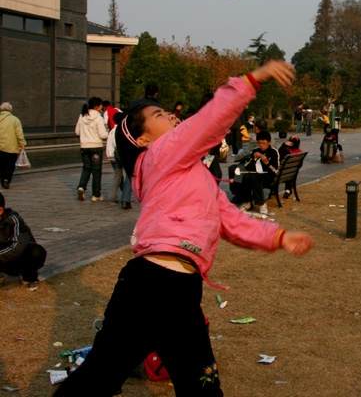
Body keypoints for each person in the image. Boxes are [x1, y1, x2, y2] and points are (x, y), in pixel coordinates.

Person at [54, 61, 314, 396]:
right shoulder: (160, 155)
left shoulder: (191, 174)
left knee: (202, 385)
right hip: (149, 284)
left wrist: (278, 236)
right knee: (99, 377)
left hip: (182, 289)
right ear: (143, 138)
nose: (172, 117)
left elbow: (230, 221)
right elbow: (207, 123)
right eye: (161, 116)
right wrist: (251, 80)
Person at [0, 192, 47, 291]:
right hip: (2, 259)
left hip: (18, 259)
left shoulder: (14, 220)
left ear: (0, 210)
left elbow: (18, 247)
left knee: (36, 252)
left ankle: (28, 277)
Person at [76, 96, 109, 202]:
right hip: (96, 147)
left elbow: (77, 132)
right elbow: (102, 135)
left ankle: (81, 187)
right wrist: (109, 133)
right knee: (96, 171)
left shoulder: (82, 116)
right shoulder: (99, 118)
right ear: (96, 106)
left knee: (86, 168)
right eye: (100, 106)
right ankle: (96, 195)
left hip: (84, 147)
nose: (101, 108)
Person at [243, 131, 280, 214]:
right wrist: (253, 159)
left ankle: (261, 203)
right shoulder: (255, 151)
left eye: (264, 143)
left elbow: (275, 171)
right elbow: (246, 166)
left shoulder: (273, 152)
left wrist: (267, 162)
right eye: (259, 143)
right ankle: (248, 202)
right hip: (256, 175)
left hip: (269, 176)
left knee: (256, 178)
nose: (261, 146)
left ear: (269, 142)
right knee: (246, 177)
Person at [105, 112, 131, 209]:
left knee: (118, 176)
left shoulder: (112, 130)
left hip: (113, 155)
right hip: (121, 154)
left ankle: (116, 196)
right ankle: (121, 197)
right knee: (127, 175)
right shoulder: (121, 130)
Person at [0, 102, 26, 190]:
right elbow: (19, 133)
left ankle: (2, 179)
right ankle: (6, 180)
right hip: (11, 147)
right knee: (10, 165)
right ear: (10, 109)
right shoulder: (15, 120)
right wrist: (22, 144)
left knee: (1, 165)